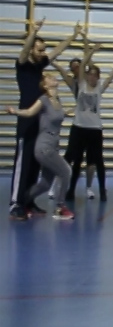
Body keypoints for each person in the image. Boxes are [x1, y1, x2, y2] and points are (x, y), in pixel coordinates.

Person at [11, 20, 81, 219]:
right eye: (39, 49)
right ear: (32, 47)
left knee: (34, 166)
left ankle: (28, 203)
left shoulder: (40, 64)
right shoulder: (23, 65)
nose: (43, 53)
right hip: (26, 123)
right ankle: (15, 203)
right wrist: (33, 32)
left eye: (43, 50)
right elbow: (24, 51)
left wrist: (73, 36)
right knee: (22, 165)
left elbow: (57, 51)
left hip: (39, 123)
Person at [61, 38, 113, 202]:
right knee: (77, 161)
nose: (91, 78)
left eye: (94, 75)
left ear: (97, 77)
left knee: (98, 161)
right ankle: (70, 190)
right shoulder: (82, 85)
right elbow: (84, 62)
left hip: (94, 129)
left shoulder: (99, 88)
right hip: (79, 127)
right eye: (89, 75)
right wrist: (91, 50)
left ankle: (102, 190)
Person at [6, 69, 75, 220]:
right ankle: (60, 207)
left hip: (54, 145)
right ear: (45, 84)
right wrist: (15, 111)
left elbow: (57, 117)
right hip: (44, 147)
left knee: (45, 183)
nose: (52, 77)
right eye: (49, 77)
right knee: (66, 171)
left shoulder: (57, 100)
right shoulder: (43, 99)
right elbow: (30, 112)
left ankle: (23, 201)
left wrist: (71, 111)